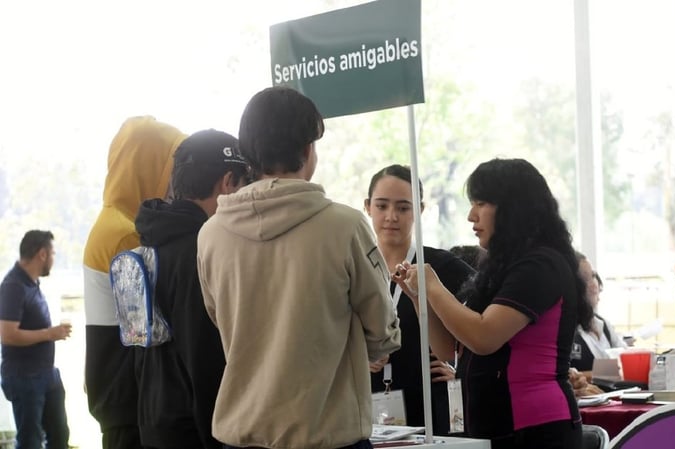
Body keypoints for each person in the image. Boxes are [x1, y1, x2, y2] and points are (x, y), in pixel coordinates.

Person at [197, 86, 401, 449]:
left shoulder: (211, 233)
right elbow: (382, 329)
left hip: (242, 432)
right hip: (326, 432)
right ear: (308, 149)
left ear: (247, 154)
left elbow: (219, 318)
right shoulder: (345, 225)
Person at [393, 158, 592, 449]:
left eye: (481, 203)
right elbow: (449, 348)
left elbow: (484, 337)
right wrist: (418, 297)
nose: (471, 216)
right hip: (494, 428)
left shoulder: (540, 265)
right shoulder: (502, 267)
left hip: (535, 429)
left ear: (514, 208)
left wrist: (434, 287)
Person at [133, 129, 250, 449]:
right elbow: (203, 357)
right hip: (195, 429)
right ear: (228, 182)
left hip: (154, 418)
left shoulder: (152, 239)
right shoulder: (199, 249)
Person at [83, 116, 186, 449]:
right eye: (171, 166)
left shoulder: (113, 221)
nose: (175, 181)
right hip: (130, 401)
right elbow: (156, 322)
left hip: (117, 398)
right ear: (147, 167)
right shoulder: (126, 234)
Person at [365, 164, 474, 435]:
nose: (391, 216)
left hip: (431, 406)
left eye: (403, 208)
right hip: (367, 406)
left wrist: (462, 370)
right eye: (382, 206)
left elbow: (488, 319)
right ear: (367, 207)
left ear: (420, 210)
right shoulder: (352, 267)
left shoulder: (439, 266)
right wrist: (357, 357)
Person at [0, 230, 71, 449]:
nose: (53, 259)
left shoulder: (31, 283)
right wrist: (50, 334)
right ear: (42, 254)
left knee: (59, 434)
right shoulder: (14, 286)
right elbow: (7, 334)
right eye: (53, 254)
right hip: (25, 378)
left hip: (46, 374)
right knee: (30, 441)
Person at [570, 252, 627, 375]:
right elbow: (564, 376)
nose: (594, 285)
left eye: (593, 276)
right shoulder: (565, 328)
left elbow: (624, 357)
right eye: (586, 279)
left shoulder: (602, 324)